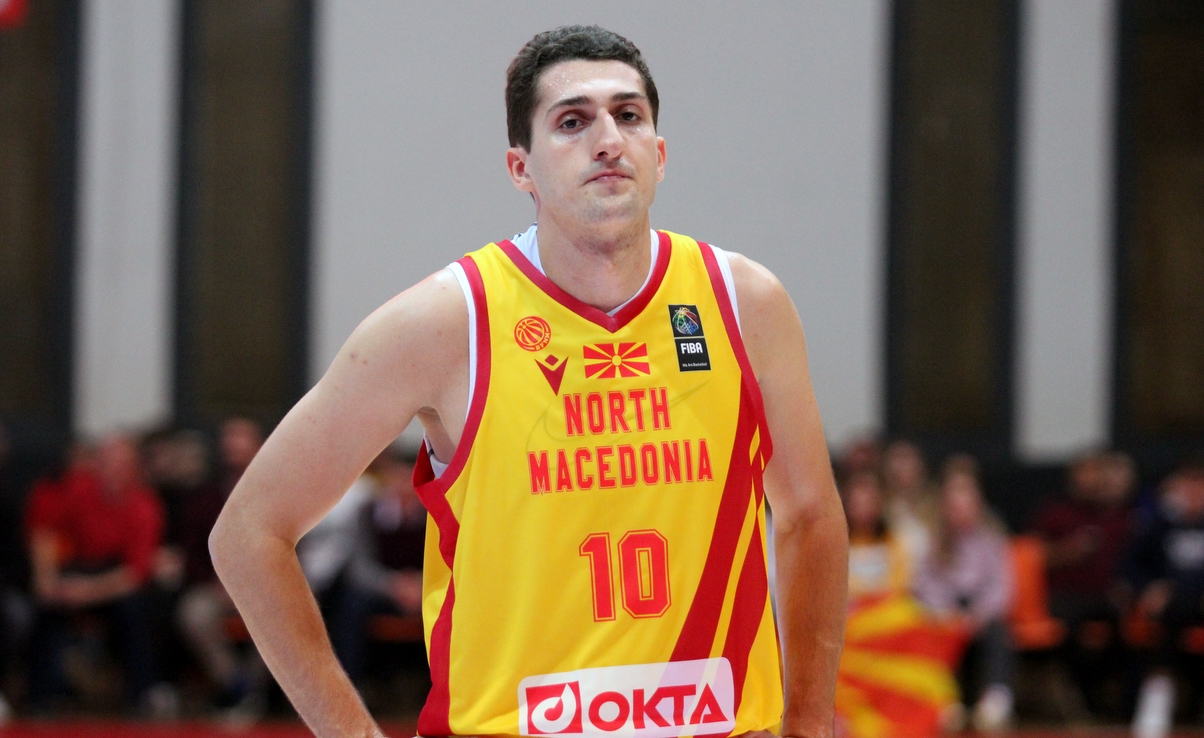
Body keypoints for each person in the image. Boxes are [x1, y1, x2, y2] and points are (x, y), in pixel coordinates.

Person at [210, 25, 848, 738]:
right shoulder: (445, 323)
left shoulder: (745, 304)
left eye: (629, 115)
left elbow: (810, 516)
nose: (608, 140)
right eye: (573, 122)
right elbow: (248, 533)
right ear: (522, 169)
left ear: (660, 154)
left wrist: (808, 723)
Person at [25, 435, 168, 714]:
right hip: (78, 568)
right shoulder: (79, 489)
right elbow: (44, 530)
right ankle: (41, 696)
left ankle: (141, 694)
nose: (111, 470)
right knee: (46, 607)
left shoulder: (144, 505)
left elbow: (135, 573)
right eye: (106, 462)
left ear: (134, 469)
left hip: (114, 581)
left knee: (136, 611)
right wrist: (46, 578)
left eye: (120, 464)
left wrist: (87, 592)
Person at [913, 455, 1015, 732]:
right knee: (931, 633)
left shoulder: (992, 538)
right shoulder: (931, 540)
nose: (960, 506)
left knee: (998, 632)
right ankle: (945, 703)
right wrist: (946, 613)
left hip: (980, 612)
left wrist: (979, 615)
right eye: (954, 500)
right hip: (945, 611)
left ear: (977, 502)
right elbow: (923, 584)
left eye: (966, 498)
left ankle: (995, 699)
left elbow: (1002, 587)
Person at [1031, 451, 1134, 716]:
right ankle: (1082, 694)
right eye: (1083, 473)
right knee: (1069, 629)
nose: (1089, 479)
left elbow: (1133, 560)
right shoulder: (1055, 513)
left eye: (1095, 472)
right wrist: (1068, 551)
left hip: (1104, 596)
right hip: (1065, 596)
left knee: (1125, 626)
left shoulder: (1117, 515)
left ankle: (1114, 700)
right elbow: (1035, 556)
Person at [176, 418, 267, 714]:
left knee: (286, 616)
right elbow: (192, 553)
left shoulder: (277, 494)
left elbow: (289, 547)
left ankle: (255, 689)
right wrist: (220, 586)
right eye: (231, 445)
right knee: (194, 613)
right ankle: (235, 684)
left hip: (267, 587)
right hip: (215, 587)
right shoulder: (204, 496)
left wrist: (256, 588)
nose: (235, 452)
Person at [1127, 462, 1204, 738]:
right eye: (1188, 486)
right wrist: (1150, 587)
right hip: (1173, 604)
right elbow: (1131, 565)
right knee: (1170, 616)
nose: (1194, 494)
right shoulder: (1159, 525)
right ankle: (1158, 693)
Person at [842, 470, 910, 601]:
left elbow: (900, 585)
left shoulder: (894, 542)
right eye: (857, 504)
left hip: (886, 608)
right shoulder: (838, 546)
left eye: (869, 503)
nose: (863, 510)